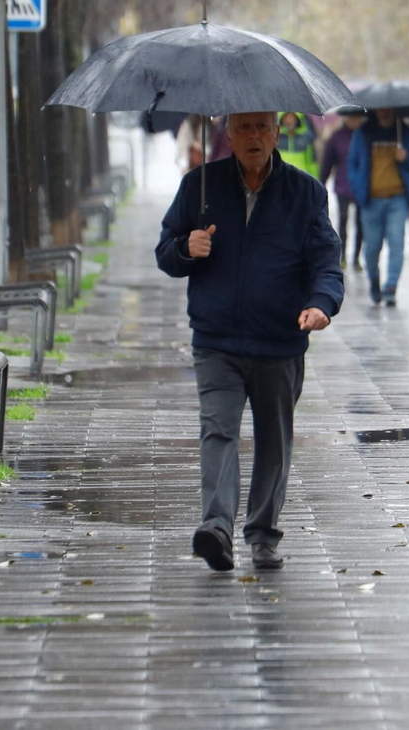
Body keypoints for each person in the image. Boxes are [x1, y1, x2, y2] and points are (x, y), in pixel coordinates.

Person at [156, 111, 344, 573]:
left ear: (278, 132)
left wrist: (321, 305)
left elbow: (326, 261)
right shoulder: (200, 186)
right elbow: (166, 250)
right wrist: (187, 248)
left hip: (280, 338)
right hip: (216, 338)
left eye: (263, 127)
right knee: (218, 431)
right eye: (244, 128)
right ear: (228, 134)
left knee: (273, 441)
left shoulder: (305, 192)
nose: (254, 137)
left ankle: (262, 535)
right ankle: (216, 529)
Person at [345, 108, 409, 307]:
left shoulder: (405, 132)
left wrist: (406, 157)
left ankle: (390, 287)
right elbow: (352, 164)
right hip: (371, 201)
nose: (385, 113)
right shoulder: (363, 133)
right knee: (372, 247)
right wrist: (358, 188)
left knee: (397, 244)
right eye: (381, 110)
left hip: (397, 199)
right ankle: (374, 279)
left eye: (388, 110)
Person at [319, 113, 365, 269]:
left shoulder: (365, 135)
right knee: (343, 220)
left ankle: (356, 257)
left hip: (361, 187)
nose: (354, 120)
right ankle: (343, 255)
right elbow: (327, 162)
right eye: (351, 117)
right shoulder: (337, 137)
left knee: (360, 223)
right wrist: (321, 184)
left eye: (356, 117)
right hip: (342, 186)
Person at [276, 112, 321, 178]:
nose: (289, 120)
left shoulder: (306, 139)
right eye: (287, 117)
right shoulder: (274, 139)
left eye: (292, 117)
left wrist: (315, 183)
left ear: (297, 119)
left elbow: (312, 163)